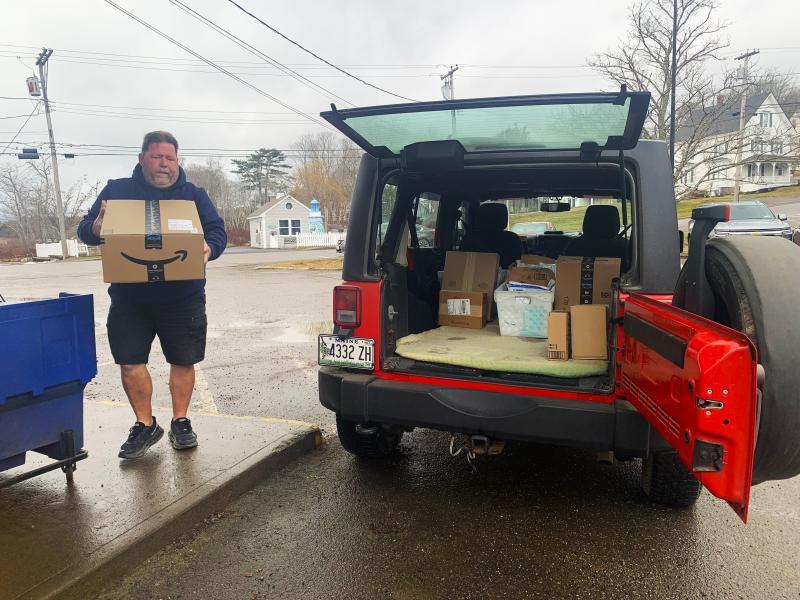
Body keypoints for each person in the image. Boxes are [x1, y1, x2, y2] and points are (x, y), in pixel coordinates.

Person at [78, 131, 227, 460]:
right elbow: (85, 227)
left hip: (183, 297)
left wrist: (209, 247)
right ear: (141, 158)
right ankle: (145, 425)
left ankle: (180, 421)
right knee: (130, 363)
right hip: (130, 299)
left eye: (170, 158)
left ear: (177, 161)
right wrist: (95, 229)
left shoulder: (193, 195)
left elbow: (217, 230)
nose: (164, 164)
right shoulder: (117, 191)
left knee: (183, 360)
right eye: (157, 156)